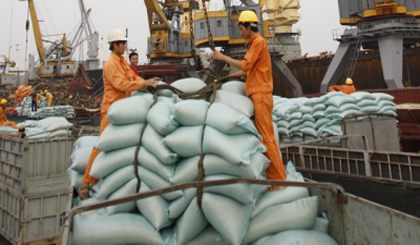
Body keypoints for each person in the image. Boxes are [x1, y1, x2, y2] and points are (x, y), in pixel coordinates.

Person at [78, 29, 159, 199]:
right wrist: (144, 83)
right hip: (111, 110)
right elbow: (121, 84)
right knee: (102, 145)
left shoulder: (122, 62)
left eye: (124, 43)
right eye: (122, 43)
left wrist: (146, 83)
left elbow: (132, 78)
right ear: (114, 45)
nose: (124, 46)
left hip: (122, 109)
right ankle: (86, 182)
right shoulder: (111, 64)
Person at [212, 10, 286, 186]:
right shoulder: (256, 43)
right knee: (266, 136)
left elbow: (246, 64)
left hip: (260, 94)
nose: (239, 32)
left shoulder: (258, 42)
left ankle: (278, 180)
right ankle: (277, 176)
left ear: (248, 26)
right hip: (259, 93)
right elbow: (249, 70)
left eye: (241, 28)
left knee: (266, 138)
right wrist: (231, 77)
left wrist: (223, 57)